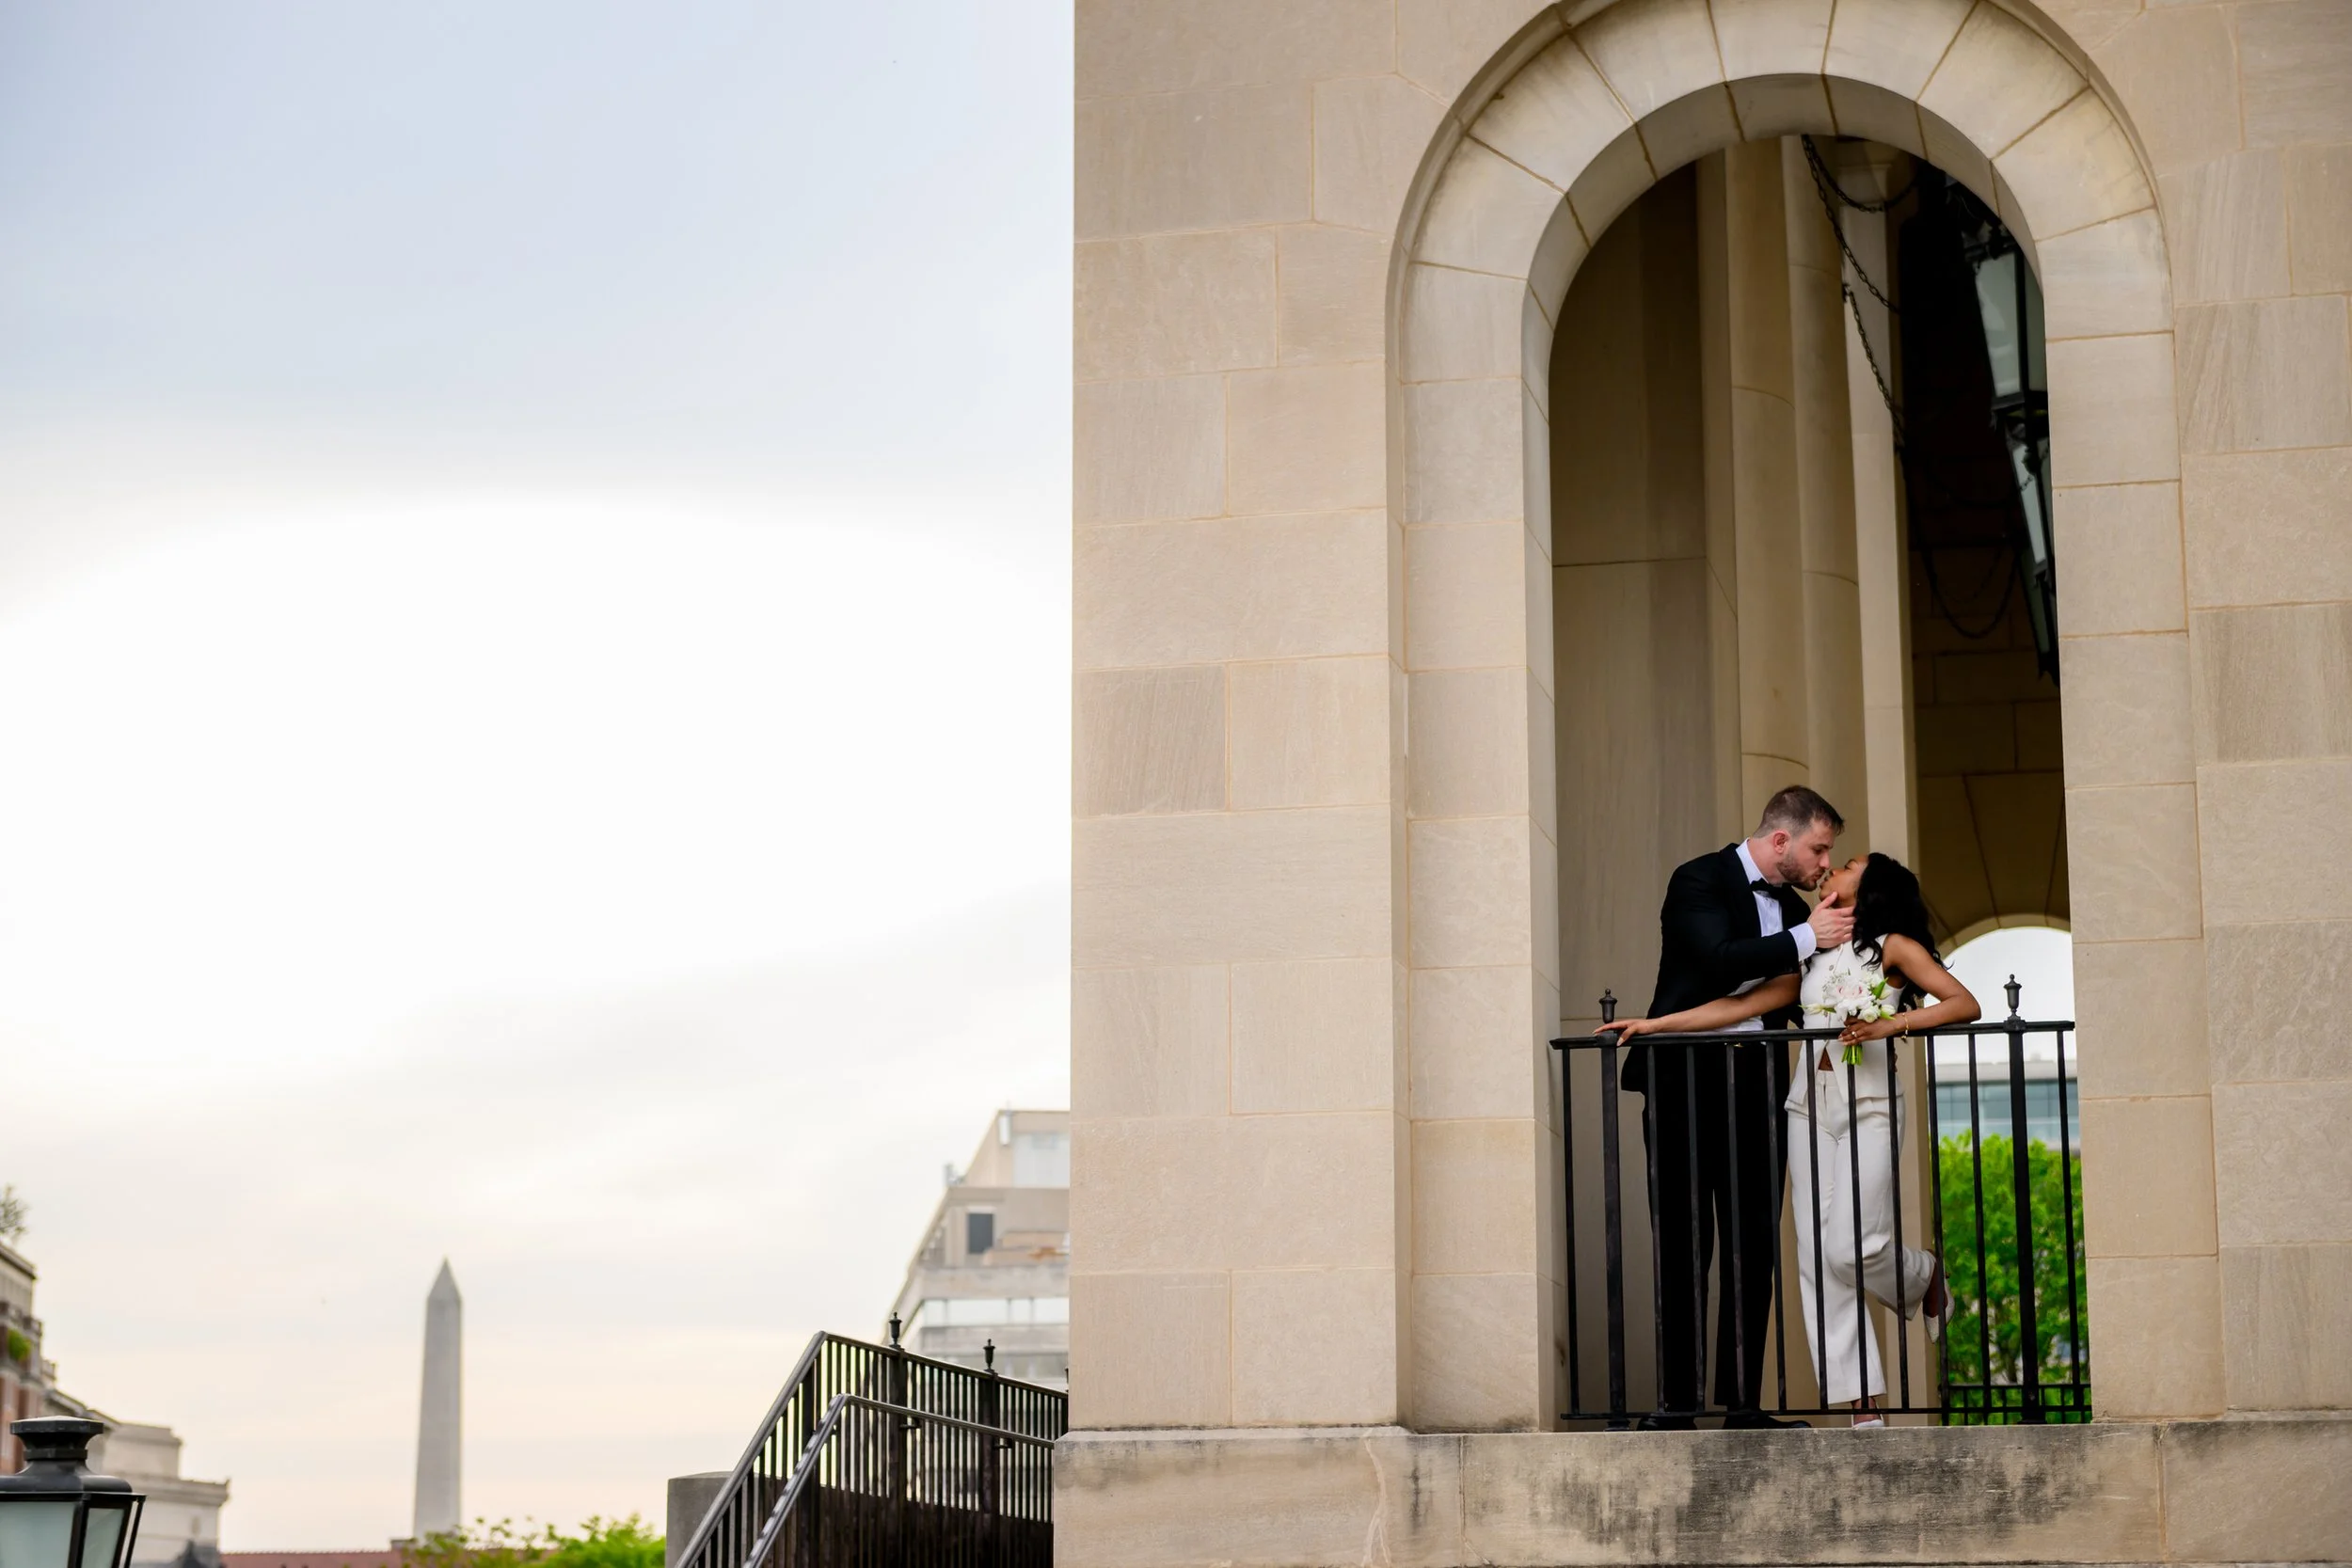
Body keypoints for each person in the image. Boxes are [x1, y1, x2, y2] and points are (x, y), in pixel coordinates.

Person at [1614, 850, 1973, 1426]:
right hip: (1807, 1108)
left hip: (1872, 1105)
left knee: (1854, 1246)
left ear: (1872, 885)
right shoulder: (1807, 953)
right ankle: (1861, 1401)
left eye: (1849, 862)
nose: (1833, 866)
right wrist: (1655, 1025)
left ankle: (1921, 1275)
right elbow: (1741, 1005)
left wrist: (1889, 1024)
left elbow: (1964, 1003)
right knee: (1815, 1256)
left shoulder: (1895, 947)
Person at [1617, 785, 1852, 1430]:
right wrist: (1809, 934)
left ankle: (1743, 1403)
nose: (1822, 860)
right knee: (1685, 1238)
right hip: (1685, 1077)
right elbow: (1716, 960)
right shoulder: (1697, 878)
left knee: (1754, 1241)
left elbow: (1799, 991)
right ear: (1781, 839)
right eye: (1818, 847)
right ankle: (1677, 1403)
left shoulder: (1794, 907)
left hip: (1757, 1081)